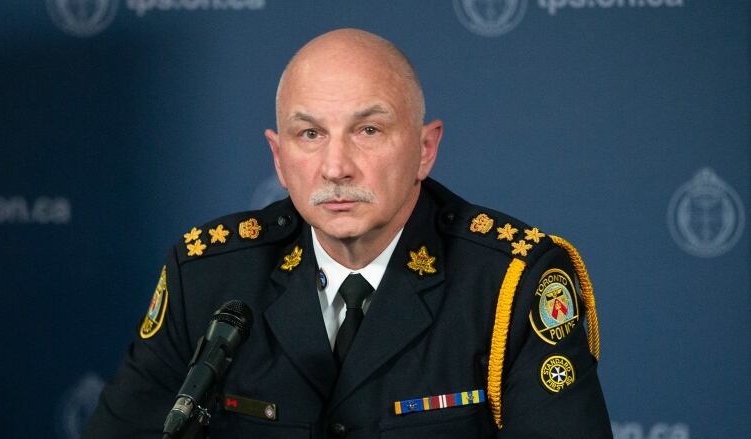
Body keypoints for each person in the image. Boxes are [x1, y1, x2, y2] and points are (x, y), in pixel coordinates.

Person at [83, 28, 612, 438]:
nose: (336, 166)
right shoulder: (208, 277)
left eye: (368, 130)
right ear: (279, 157)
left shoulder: (512, 284)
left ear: (425, 150)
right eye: (310, 134)